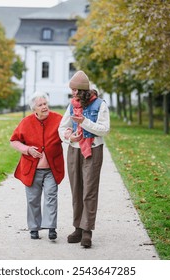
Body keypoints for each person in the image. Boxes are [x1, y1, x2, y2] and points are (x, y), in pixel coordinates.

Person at [58, 70, 110, 248]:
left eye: (74, 90)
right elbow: (62, 127)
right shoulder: (72, 105)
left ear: (82, 90)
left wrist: (83, 122)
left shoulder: (100, 105)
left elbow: (105, 130)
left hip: (93, 151)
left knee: (89, 190)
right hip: (74, 150)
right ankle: (78, 228)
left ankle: (87, 230)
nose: (72, 93)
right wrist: (68, 136)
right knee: (76, 190)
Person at [10, 91, 64, 240]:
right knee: (33, 199)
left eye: (45, 104)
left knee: (51, 197)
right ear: (34, 109)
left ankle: (51, 227)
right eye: (40, 105)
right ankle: (34, 228)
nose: (44, 107)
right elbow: (14, 141)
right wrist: (27, 150)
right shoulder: (26, 122)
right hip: (32, 170)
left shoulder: (58, 119)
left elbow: (67, 132)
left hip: (52, 169)